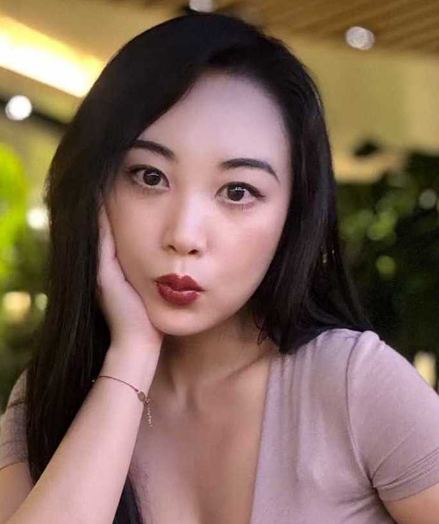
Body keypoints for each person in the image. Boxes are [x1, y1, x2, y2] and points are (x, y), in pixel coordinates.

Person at [1, 11, 439, 524]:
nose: (184, 235)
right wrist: (130, 360)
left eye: (237, 191)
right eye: (149, 176)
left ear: (293, 216)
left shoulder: (352, 385)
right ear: (94, 190)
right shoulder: (50, 395)